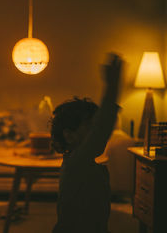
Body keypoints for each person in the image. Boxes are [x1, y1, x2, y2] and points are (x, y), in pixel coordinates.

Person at [50, 54, 123, 233]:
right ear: (70, 136)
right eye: (89, 126)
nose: (95, 132)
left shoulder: (80, 163)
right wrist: (112, 87)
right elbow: (101, 130)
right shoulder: (77, 163)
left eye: (94, 125)